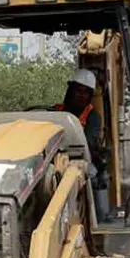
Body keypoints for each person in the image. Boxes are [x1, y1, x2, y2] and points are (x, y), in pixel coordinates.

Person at [53, 68, 108, 212]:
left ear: (90, 96)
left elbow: (88, 143)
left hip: (82, 161)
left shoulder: (92, 117)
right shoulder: (55, 111)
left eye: (85, 92)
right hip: (54, 160)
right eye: (78, 90)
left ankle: (96, 216)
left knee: (92, 176)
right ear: (70, 91)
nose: (81, 95)